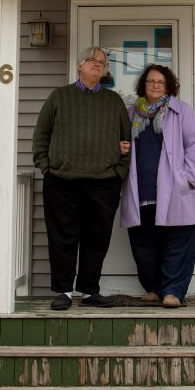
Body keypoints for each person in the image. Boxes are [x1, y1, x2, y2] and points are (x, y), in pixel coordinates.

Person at [33, 47, 131, 310]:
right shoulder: (59, 97)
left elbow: (126, 141)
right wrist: (45, 167)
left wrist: (118, 172)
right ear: (80, 66)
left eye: (102, 63)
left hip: (103, 182)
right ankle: (63, 291)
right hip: (61, 181)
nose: (98, 66)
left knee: (96, 237)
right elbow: (41, 135)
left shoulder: (114, 102)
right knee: (62, 236)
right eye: (92, 61)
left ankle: (89, 291)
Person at [120, 64, 195, 308]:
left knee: (177, 243)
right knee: (144, 245)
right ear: (143, 85)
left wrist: (187, 177)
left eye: (161, 81)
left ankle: (173, 292)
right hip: (142, 192)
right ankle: (154, 288)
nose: (156, 85)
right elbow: (120, 144)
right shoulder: (131, 114)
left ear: (169, 86)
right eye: (151, 81)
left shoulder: (182, 112)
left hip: (176, 190)